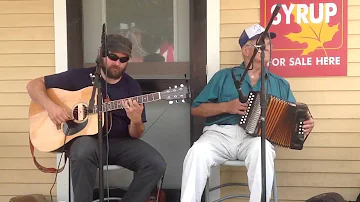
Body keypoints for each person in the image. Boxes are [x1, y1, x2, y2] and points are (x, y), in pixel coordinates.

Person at [180, 24, 315, 202]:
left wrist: (305, 124)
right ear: (245, 49)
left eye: (269, 44)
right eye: (262, 43)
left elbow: (294, 117)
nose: (268, 47)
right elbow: (196, 108)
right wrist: (227, 107)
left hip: (255, 138)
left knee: (263, 150)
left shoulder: (280, 84)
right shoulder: (224, 76)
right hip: (220, 135)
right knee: (196, 152)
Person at [26, 34, 167, 202]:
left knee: (155, 163)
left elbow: (136, 134)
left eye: (123, 59)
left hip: (120, 143)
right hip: (87, 141)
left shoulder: (132, 87)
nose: (117, 63)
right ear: (101, 54)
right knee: (83, 150)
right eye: (113, 57)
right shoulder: (79, 77)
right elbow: (33, 85)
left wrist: (135, 119)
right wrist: (52, 107)